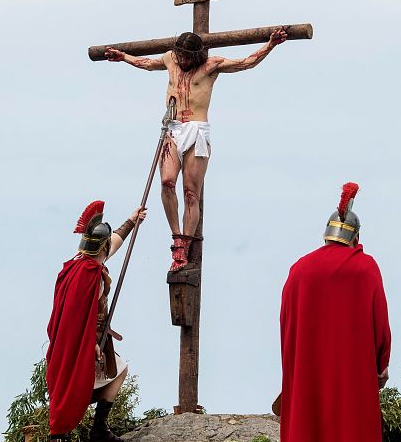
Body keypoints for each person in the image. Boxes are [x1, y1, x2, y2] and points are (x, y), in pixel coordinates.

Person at [104, 28, 287, 270]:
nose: (182, 60)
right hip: (173, 128)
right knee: (167, 182)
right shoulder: (171, 58)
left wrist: (270, 44)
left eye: (186, 56)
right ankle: (176, 236)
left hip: (197, 130)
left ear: (196, 55)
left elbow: (245, 63)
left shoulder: (212, 65)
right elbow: (147, 63)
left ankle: (185, 246)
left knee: (191, 193)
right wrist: (124, 57)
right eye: (180, 55)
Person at [279, 183, 391, 442]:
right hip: (352, 372)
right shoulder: (365, 267)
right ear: (356, 236)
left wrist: (293, 368)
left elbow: (286, 323)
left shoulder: (299, 268)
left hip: (309, 370)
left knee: (311, 439)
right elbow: (380, 323)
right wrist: (380, 365)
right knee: (349, 441)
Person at [45, 200, 147, 442]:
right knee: (72, 386)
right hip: (81, 341)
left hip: (87, 339)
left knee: (118, 371)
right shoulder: (86, 275)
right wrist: (91, 343)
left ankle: (99, 427)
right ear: (99, 248)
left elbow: (112, 244)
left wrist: (131, 221)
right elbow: (77, 315)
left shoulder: (81, 263)